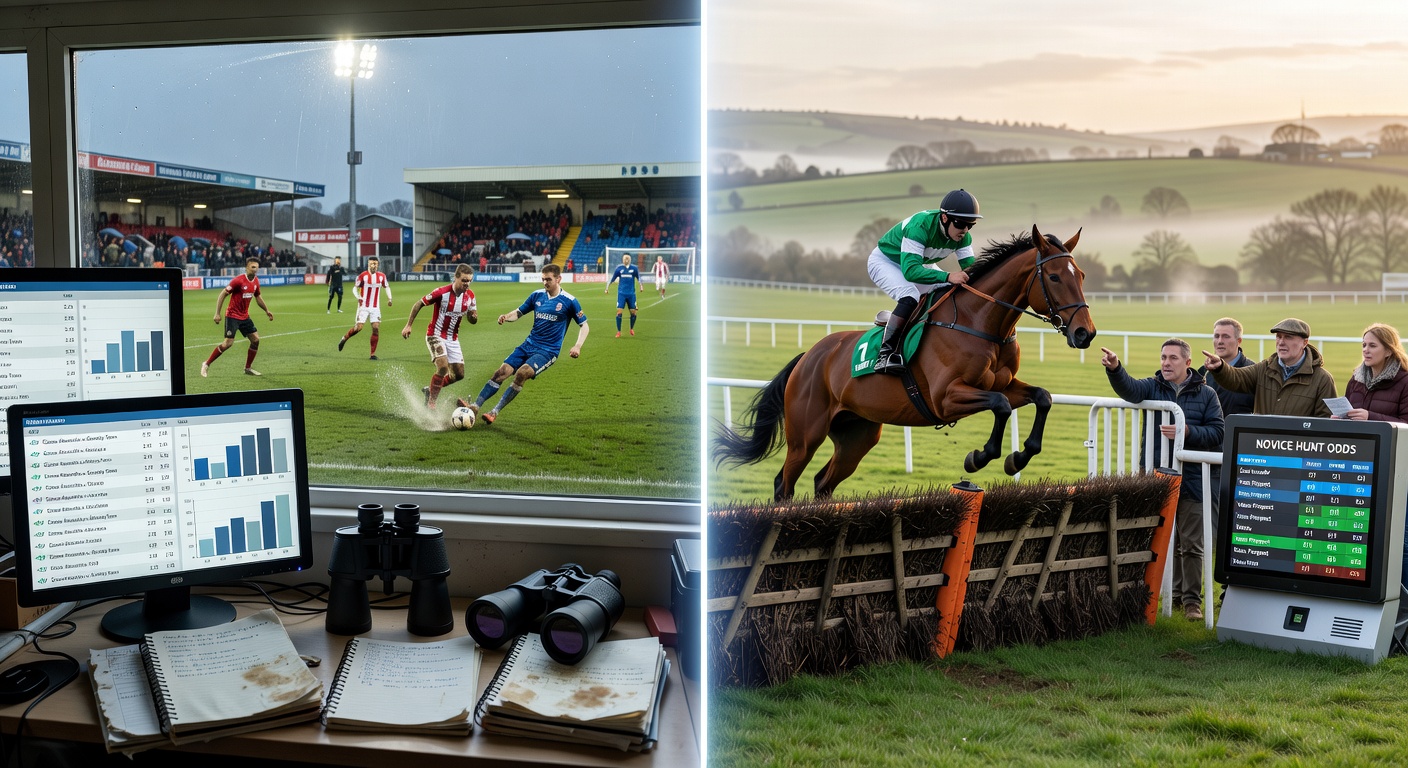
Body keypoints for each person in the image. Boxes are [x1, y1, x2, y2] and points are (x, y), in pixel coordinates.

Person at [1101, 339, 1224, 621]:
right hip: (1156, 479)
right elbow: (1129, 390)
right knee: (1151, 539)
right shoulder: (1153, 386)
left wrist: (1186, 431)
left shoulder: (1207, 395)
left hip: (1193, 479)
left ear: (1187, 363)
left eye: (1173, 358)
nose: (1166, 363)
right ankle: (1151, 597)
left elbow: (1218, 433)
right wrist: (1116, 368)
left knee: (1191, 544)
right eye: (1163, 357)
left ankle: (1191, 602)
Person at [868, 188, 981, 375]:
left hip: (918, 263)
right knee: (909, 296)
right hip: (886, 262)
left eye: (971, 225)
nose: (965, 230)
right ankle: (885, 354)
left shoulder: (963, 236)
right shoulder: (920, 226)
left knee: (948, 291)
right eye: (961, 224)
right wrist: (948, 276)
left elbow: (972, 272)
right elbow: (911, 271)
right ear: (945, 218)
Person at [460, 264, 588, 425]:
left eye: (548, 279)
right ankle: (475, 406)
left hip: (548, 351)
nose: (545, 283)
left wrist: (577, 346)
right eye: (543, 279)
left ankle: (494, 411)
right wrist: (506, 317)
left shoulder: (569, 301)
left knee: (522, 373)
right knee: (501, 372)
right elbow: (518, 312)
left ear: (558, 279)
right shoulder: (536, 296)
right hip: (528, 344)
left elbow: (585, 325)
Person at [1201, 318, 1335, 417]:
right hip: (1262, 448)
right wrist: (1220, 367)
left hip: (1297, 452)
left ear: (1304, 343)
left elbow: (1325, 422)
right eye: (1279, 337)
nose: (1281, 342)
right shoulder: (1263, 368)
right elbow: (1237, 378)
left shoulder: (1322, 379)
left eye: (1288, 337)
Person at [401, 264, 477, 409]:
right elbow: (419, 304)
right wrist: (408, 325)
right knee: (442, 367)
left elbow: (473, 319)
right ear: (456, 278)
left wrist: (472, 316)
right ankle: (431, 404)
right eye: (464, 280)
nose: (467, 284)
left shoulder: (470, 296)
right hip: (435, 335)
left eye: (469, 281)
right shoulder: (442, 293)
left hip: (453, 339)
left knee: (459, 375)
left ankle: (431, 391)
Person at [202, 257, 273, 377]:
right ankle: (206, 364)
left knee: (255, 340)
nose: (255, 270)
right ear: (247, 267)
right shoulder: (238, 281)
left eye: (256, 267)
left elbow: (258, 297)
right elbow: (223, 294)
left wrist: (266, 310)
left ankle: (248, 368)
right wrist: (217, 313)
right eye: (252, 267)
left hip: (244, 316)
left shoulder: (256, 282)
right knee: (228, 343)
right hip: (232, 315)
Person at [1340, 323, 1408, 423]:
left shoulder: (1405, 382)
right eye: (1364, 345)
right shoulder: (1355, 380)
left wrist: (1370, 417)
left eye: (1372, 346)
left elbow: (1405, 424)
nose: (1365, 350)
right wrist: (1340, 419)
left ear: (1389, 351)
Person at [338, 256, 393, 360]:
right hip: (363, 306)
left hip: (375, 307)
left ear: (378, 265)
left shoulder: (381, 276)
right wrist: (358, 296)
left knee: (376, 328)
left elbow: (387, 287)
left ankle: (372, 354)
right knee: (358, 328)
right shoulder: (363, 276)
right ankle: (344, 338)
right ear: (368, 264)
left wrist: (390, 299)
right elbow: (355, 288)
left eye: (376, 264)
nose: (374, 265)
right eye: (372, 263)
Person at [1198, 317, 1255, 417]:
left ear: (1239, 341)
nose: (1220, 341)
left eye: (1226, 336)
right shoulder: (1203, 372)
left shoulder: (1252, 372)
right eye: (1216, 336)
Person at [605, 253, 641, 337]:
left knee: (633, 312)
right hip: (621, 294)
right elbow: (612, 278)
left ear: (630, 259)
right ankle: (618, 331)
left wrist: (641, 285)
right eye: (625, 258)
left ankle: (631, 328)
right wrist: (607, 288)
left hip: (631, 294)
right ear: (622, 259)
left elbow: (639, 278)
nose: (626, 260)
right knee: (619, 312)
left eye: (628, 258)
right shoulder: (619, 269)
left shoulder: (634, 268)